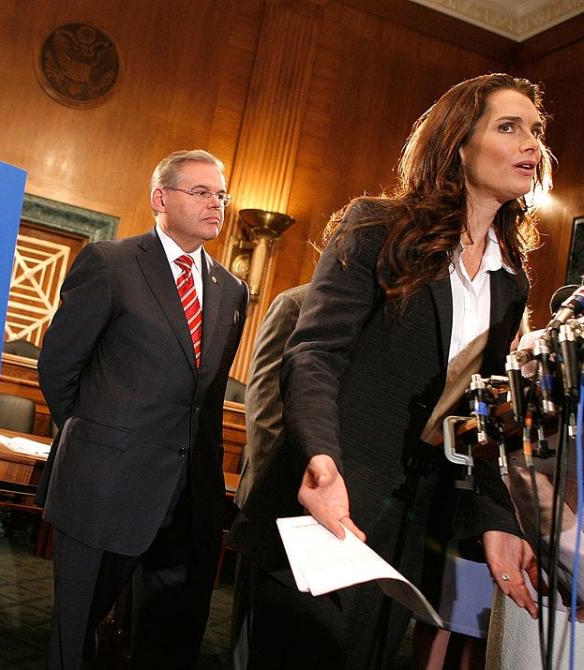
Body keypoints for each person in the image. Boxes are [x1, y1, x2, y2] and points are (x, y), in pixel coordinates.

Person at [239, 73, 553, 669]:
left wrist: (494, 518)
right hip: (330, 506)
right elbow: (313, 354)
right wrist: (320, 457)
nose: (531, 145)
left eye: (535, 131)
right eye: (509, 127)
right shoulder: (377, 227)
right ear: (458, 143)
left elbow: (482, 415)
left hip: (412, 529)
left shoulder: (511, 281)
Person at [36, 149, 249, 669]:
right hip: (104, 481)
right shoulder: (110, 264)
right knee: (76, 634)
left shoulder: (232, 290)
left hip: (188, 496)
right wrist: (97, 439)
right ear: (161, 198)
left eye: (220, 195)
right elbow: (59, 369)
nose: (215, 204)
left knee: (170, 638)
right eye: (201, 192)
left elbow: (209, 396)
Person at [228, 283, 308, 668]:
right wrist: (282, 491)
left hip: (326, 508)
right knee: (254, 638)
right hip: (274, 498)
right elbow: (263, 408)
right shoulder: (295, 303)